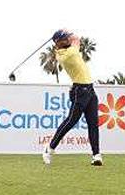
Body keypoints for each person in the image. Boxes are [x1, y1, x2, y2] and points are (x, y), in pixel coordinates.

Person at [42, 29, 103, 166]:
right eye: (65, 38)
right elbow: (76, 39)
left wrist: (64, 32)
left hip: (90, 90)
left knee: (93, 124)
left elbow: (73, 39)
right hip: (79, 91)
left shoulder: (65, 49)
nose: (68, 39)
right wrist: (69, 32)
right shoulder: (67, 53)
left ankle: (96, 155)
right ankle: (49, 148)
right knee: (71, 121)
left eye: (67, 38)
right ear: (59, 42)